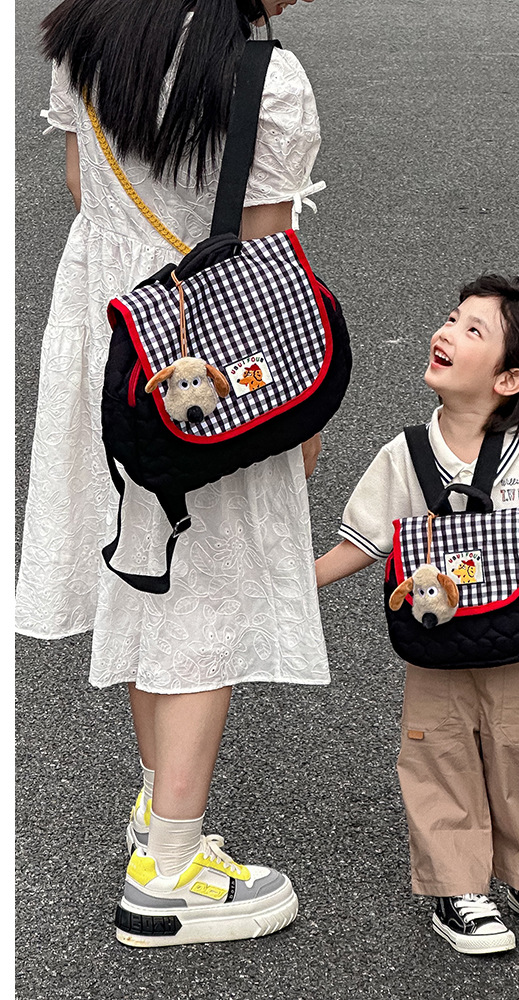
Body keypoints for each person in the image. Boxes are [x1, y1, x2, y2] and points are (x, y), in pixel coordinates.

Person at [16, 0, 331, 948]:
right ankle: (170, 877)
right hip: (211, 365)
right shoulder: (265, 78)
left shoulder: (87, 34)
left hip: (109, 338)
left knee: (143, 573)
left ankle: (160, 815)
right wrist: (298, 425)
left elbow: (82, 182)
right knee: (206, 597)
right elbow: (268, 262)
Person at [315, 273, 519, 955]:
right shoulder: (406, 456)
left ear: (508, 380)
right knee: (438, 757)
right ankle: (458, 888)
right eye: (451, 318)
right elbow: (364, 540)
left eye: (473, 329)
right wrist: (298, 585)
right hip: (436, 647)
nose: (446, 331)